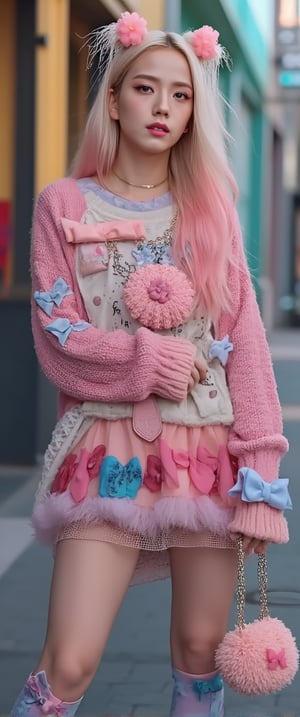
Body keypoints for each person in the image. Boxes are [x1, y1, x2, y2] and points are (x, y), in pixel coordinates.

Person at [11, 11, 292, 717]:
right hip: (103, 453)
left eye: (181, 93)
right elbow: (56, 334)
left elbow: (247, 345)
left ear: (195, 109)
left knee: (201, 649)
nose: (163, 107)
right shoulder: (63, 203)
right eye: (145, 89)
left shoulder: (212, 208)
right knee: (69, 660)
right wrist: (145, 358)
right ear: (113, 99)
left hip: (208, 454)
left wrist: (261, 476)